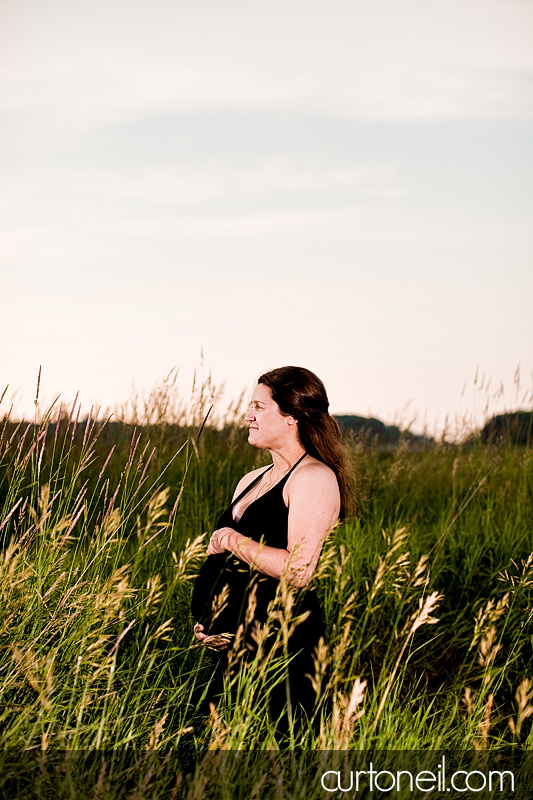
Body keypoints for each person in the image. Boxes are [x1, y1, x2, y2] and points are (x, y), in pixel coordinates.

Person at [191, 366, 355, 729]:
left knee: (279, 758)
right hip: (234, 645)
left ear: (292, 417)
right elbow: (225, 565)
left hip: (282, 641)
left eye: (259, 407)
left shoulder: (313, 478)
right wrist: (207, 619)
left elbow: (298, 570)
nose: (248, 415)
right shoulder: (252, 479)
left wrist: (233, 540)